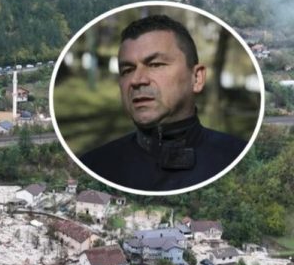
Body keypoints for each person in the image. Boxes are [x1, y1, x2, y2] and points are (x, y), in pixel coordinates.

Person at [79, 14, 247, 191]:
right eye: (127, 70)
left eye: (156, 64)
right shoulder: (94, 166)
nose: (137, 80)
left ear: (196, 78)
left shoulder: (236, 158)